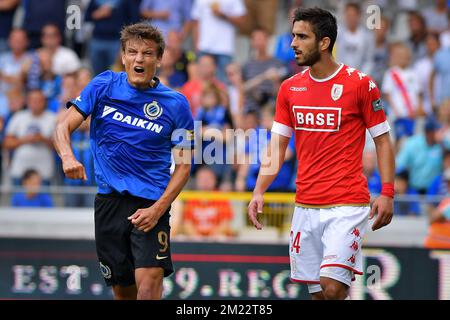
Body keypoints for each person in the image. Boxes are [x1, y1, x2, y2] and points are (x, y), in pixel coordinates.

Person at [248, 7, 395, 300]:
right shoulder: (289, 89)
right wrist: (259, 190)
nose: (293, 43)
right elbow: (277, 145)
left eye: (302, 37)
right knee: (319, 295)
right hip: (305, 206)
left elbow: (382, 140)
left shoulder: (360, 85)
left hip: (347, 204)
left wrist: (387, 192)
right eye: (293, 35)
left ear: (324, 42)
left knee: (332, 286)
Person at [53, 23, 194, 300]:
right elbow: (62, 128)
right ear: (123, 56)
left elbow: (185, 166)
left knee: (149, 286)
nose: (139, 59)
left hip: (150, 205)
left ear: (159, 59)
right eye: (133, 52)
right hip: (108, 204)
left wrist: (158, 209)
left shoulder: (177, 105)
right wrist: (68, 156)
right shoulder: (103, 85)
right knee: (124, 293)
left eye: (147, 53)